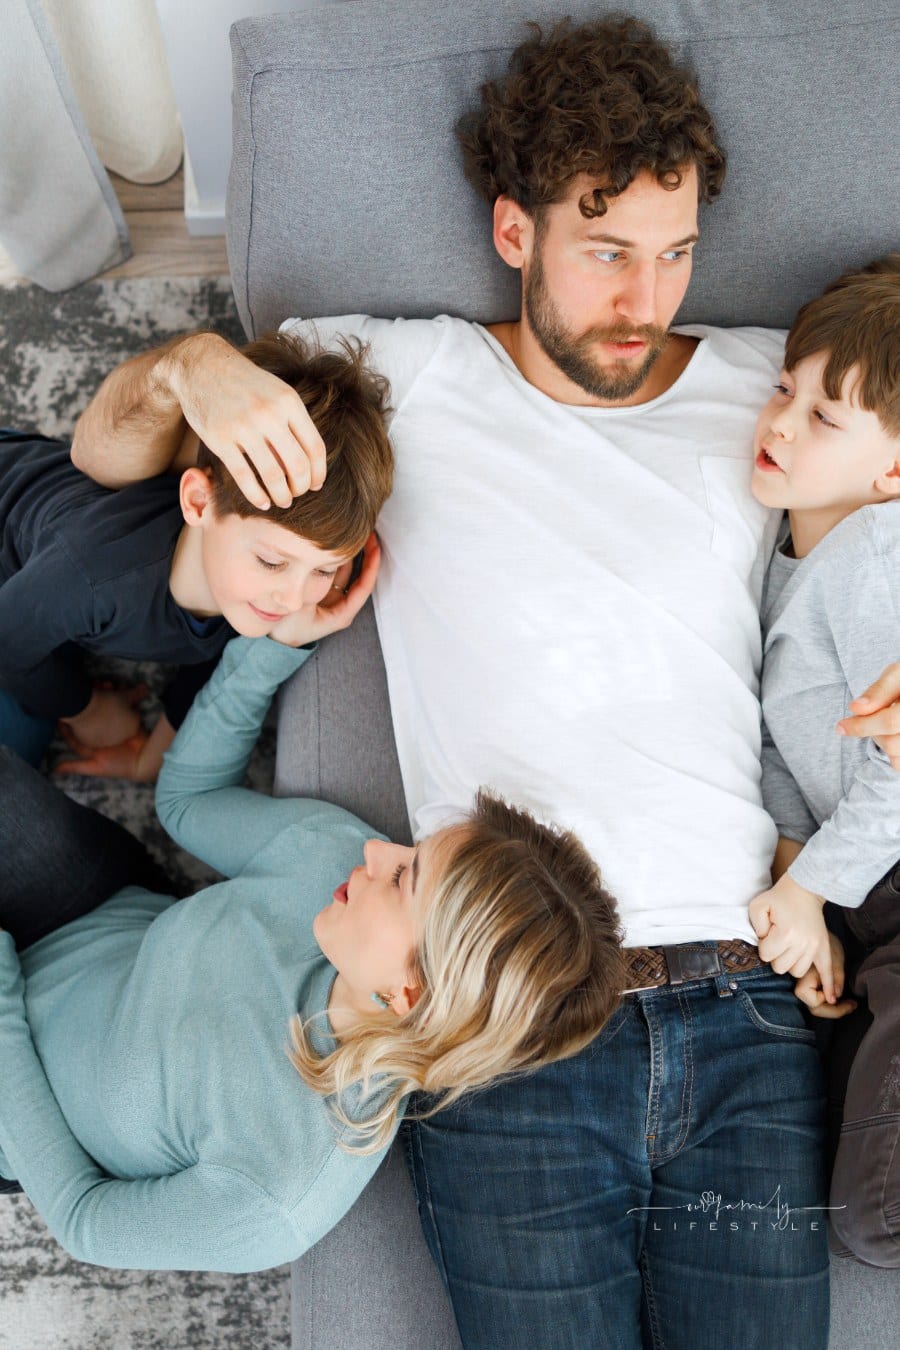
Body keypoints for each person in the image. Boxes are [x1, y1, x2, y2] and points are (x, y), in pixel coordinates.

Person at [66, 13, 900, 1345]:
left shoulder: (768, 393)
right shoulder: (406, 374)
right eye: (607, 253)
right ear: (516, 235)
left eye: (676, 254)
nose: (648, 300)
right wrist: (195, 367)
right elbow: (108, 457)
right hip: (506, 1006)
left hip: (745, 988)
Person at [0, 560, 625, 1270]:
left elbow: (86, 1220)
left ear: (409, 992)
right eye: (410, 851)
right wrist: (274, 645)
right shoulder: (333, 867)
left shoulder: (280, 1189)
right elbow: (188, 802)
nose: (375, 850)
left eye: (404, 878)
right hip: (83, 909)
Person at [0, 331, 392, 780]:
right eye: (272, 562)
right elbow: (8, 643)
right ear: (199, 503)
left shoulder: (239, 582)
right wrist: (84, 709)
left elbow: (208, 659)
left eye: (324, 569)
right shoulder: (95, 576)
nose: (292, 599)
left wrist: (153, 759)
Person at [746, 255, 900, 1267]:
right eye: (784, 389)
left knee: (872, 1218)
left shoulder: (877, 554)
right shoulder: (782, 562)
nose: (783, 422)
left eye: (826, 418)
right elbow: (769, 736)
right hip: (867, 901)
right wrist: (796, 875)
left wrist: (814, 888)